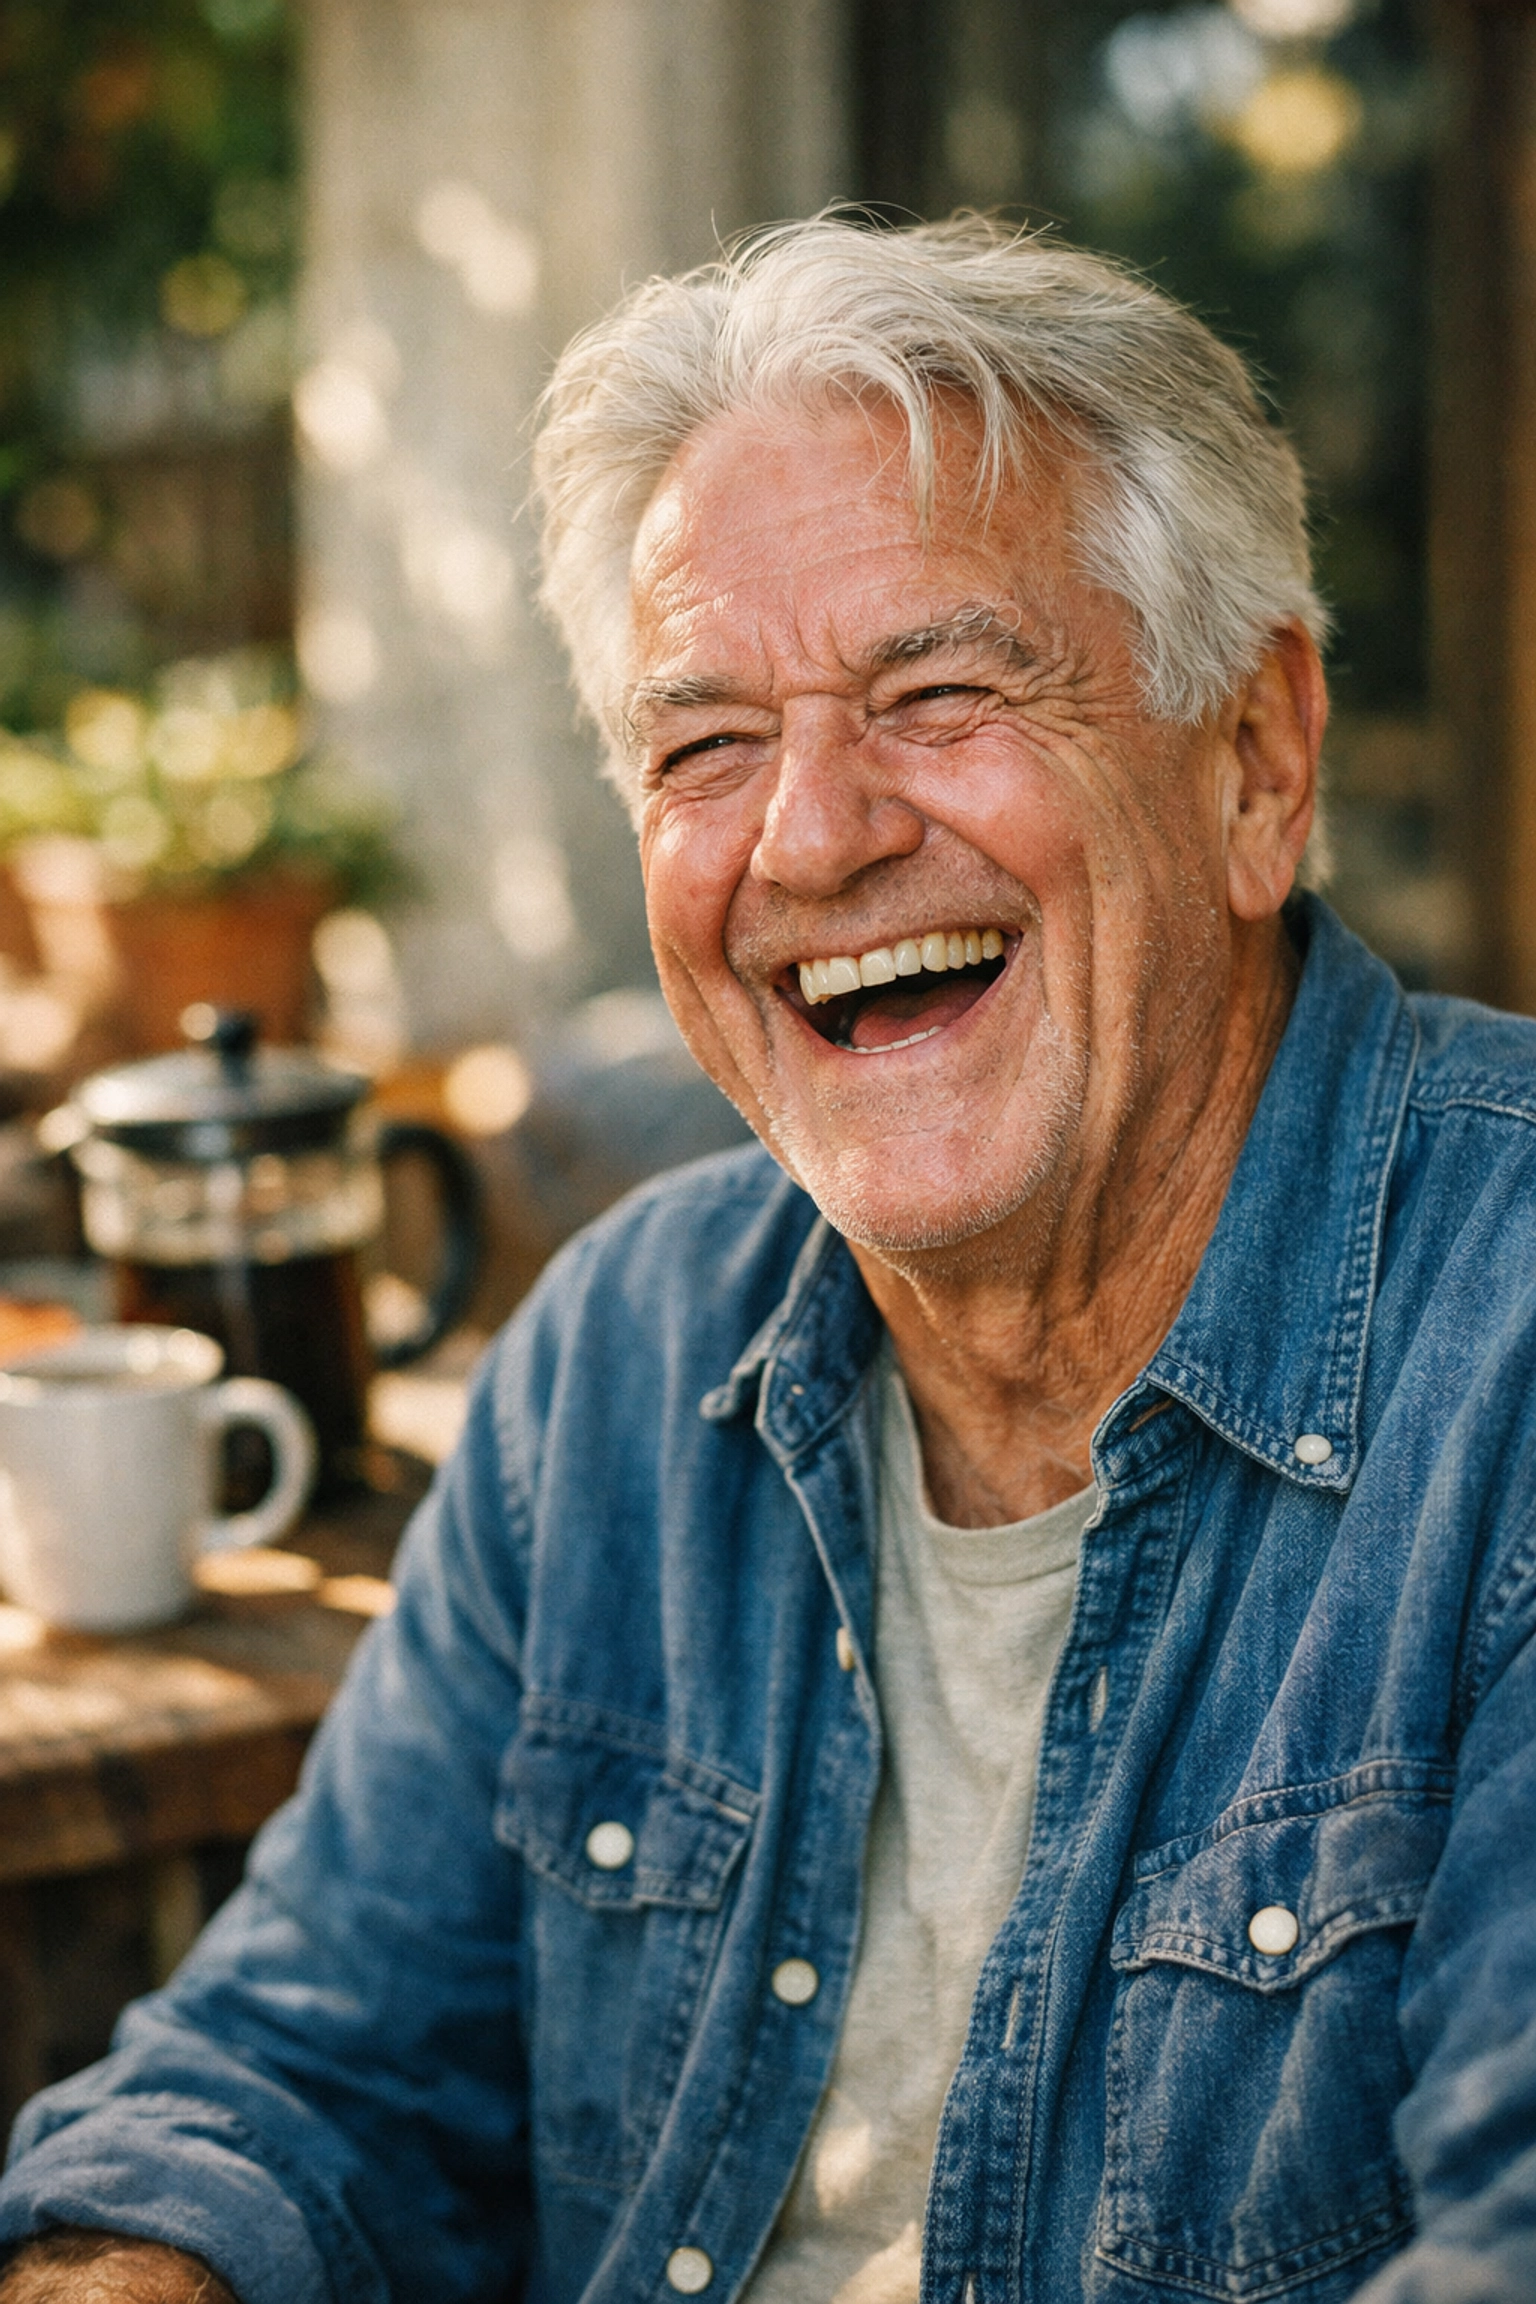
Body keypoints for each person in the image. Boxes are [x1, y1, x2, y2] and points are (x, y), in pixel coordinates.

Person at [1, 213, 1533, 2304]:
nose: (809, 840)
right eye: (704, 746)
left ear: (1256, 761)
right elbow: (304, 2076)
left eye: (943, 688)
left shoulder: (1513, 1346)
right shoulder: (617, 1358)